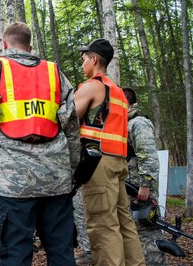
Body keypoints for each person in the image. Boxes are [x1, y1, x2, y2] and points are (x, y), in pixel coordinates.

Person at [0, 22, 81, 266]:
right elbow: (71, 127)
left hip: (11, 184)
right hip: (56, 182)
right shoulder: (54, 73)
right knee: (61, 254)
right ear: (30, 46)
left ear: (4, 44)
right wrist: (70, 171)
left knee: (15, 256)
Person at [74, 38, 145, 265]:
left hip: (98, 165)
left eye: (84, 60)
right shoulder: (118, 92)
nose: (82, 65)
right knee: (124, 223)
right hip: (118, 163)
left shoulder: (92, 86)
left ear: (94, 59)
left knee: (103, 224)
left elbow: (67, 119)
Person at [123, 87, 167, 266]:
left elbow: (148, 155)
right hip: (130, 191)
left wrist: (145, 185)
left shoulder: (138, 123)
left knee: (148, 233)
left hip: (141, 191)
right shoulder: (124, 125)